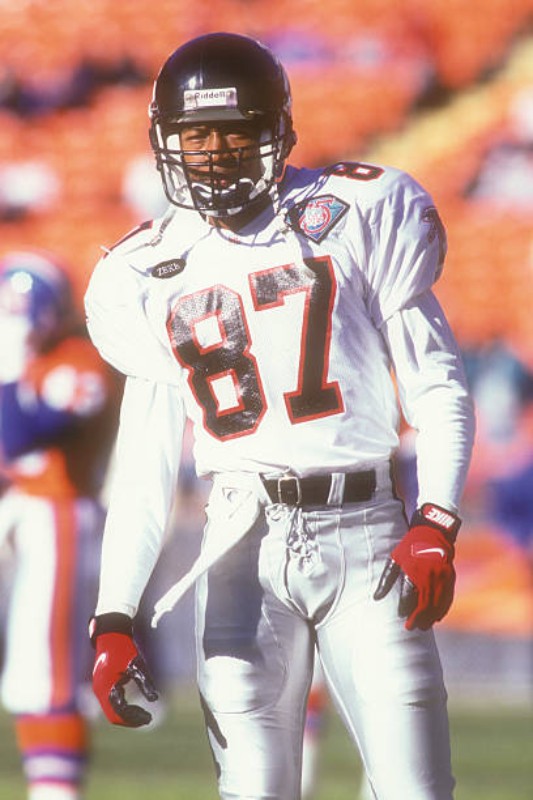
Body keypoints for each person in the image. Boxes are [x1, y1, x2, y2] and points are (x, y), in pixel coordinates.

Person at [85, 32, 475, 800]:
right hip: (238, 545)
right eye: (196, 136)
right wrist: (113, 616)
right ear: (166, 142)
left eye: (233, 133)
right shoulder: (143, 270)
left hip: (366, 535)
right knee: (254, 789)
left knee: (415, 790)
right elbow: (143, 468)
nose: (214, 154)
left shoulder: (356, 211)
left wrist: (436, 517)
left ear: (276, 132)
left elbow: (435, 383)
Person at [0, 250, 118, 800]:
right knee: (27, 676)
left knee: (47, 673)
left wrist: (9, 365)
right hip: (25, 512)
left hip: (61, 514)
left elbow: (21, 436)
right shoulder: (31, 360)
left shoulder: (80, 360)